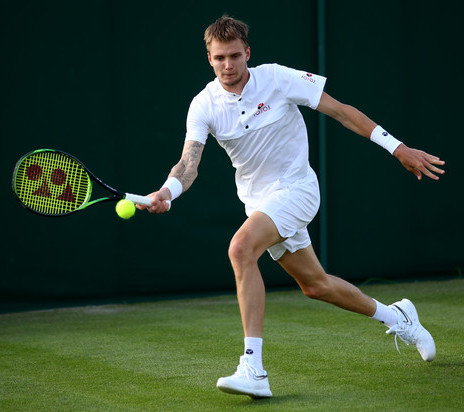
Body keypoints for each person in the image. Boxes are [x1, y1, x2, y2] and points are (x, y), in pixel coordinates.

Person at [138, 16, 445, 398]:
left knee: (240, 248)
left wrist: (397, 148)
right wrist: (169, 191)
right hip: (260, 203)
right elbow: (188, 164)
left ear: (248, 53)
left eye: (235, 56)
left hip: (298, 189)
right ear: (209, 59)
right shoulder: (203, 105)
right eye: (220, 58)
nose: (229, 66)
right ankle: (397, 316)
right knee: (316, 286)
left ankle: (253, 368)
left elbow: (341, 111)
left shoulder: (278, 78)